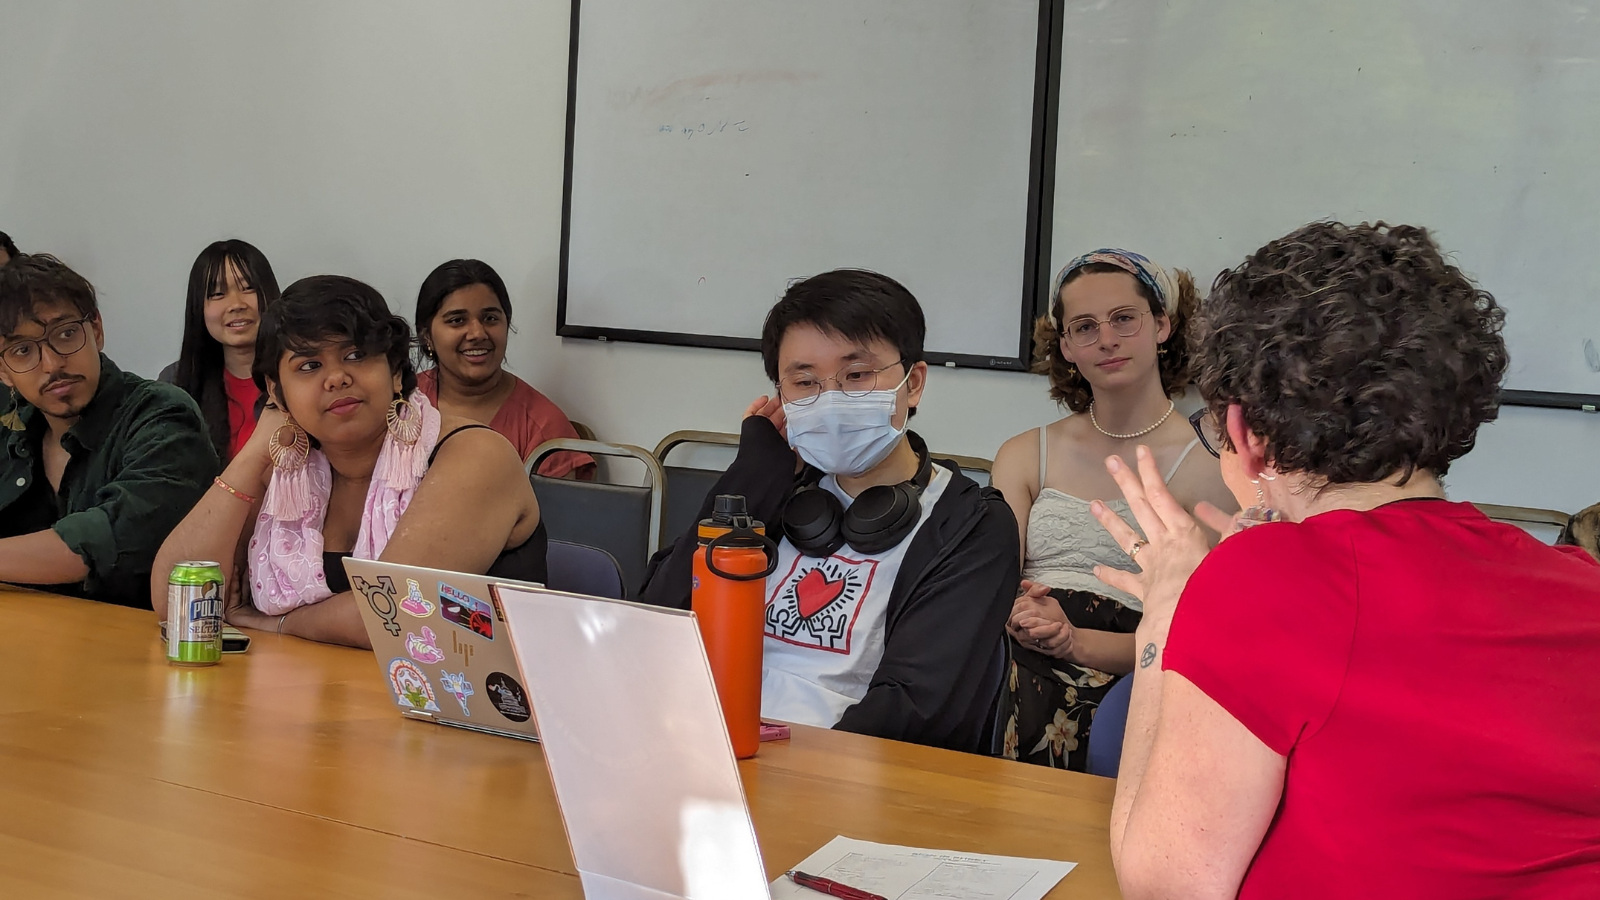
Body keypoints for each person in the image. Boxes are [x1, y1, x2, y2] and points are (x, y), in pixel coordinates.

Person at [1096, 222, 1600, 899]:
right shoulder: (1583, 584)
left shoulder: (1261, 580)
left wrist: (1165, 612)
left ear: (1245, 434)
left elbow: (1163, 888)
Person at [639, 269, 1020, 754]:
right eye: (804, 381)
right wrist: (751, 478)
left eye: (857, 375)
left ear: (914, 383)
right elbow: (653, 624)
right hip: (706, 746)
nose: (831, 397)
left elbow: (918, 710)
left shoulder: (971, 524)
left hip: (844, 779)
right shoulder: (773, 497)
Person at [152, 275, 546, 648]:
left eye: (355, 355)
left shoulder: (474, 454)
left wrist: (273, 624)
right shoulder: (288, 471)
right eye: (309, 365)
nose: (336, 378)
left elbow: (393, 613)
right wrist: (255, 453)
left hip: (476, 707)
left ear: (394, 371)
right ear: (277, 391)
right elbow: (177, 601)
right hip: (307, 698)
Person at [991, 249, 1234, 771]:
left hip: (1138, 679)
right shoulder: (1023, 453)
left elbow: (1198, 635)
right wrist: (1028, 616)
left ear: (1162, 325)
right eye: (1084, 326)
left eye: (1124, 318)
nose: (1106, 339)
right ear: (1066, 348)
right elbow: (992, 585)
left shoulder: (1211, 464)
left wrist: (1076, 641)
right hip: (1017, 660)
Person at [0, 254, 217, 607]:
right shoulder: (12, 429)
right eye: (22, 350)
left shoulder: (162, 413)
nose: (53, 364)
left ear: (97, 330)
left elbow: (106, 540)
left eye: (66, 334)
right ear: (4, 371)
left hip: (141, 647)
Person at [414, 259, 594, 478]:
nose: (477, 333)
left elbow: (558, 512)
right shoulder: (400, 402)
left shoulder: (543, 428)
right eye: (457, 320)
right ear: (427, 337)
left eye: (490, 318)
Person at [159, 240, 280, 460]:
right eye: (217, 294)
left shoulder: (300, 377)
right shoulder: (175, 384)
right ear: (199, 307)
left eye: (248, 288)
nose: (236, 304)